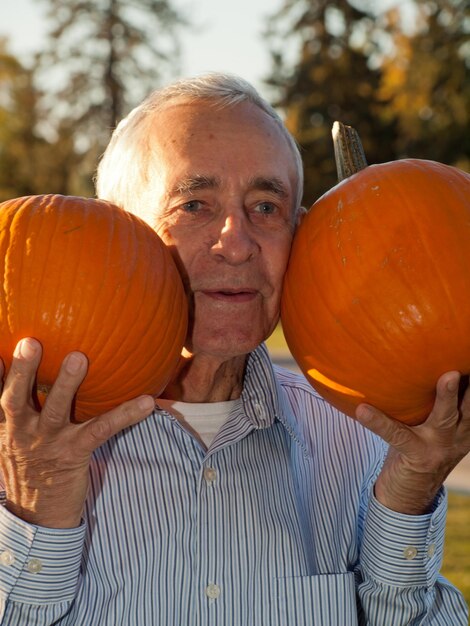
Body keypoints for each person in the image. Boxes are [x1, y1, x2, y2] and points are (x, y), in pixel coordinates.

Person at [0, 73, 468, 626]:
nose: (237, 243)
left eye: (266, 206)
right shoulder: (17, 445)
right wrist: (36, 508)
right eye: (195, 204)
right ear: (120, 228)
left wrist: (411, 490)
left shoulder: (368, 437)